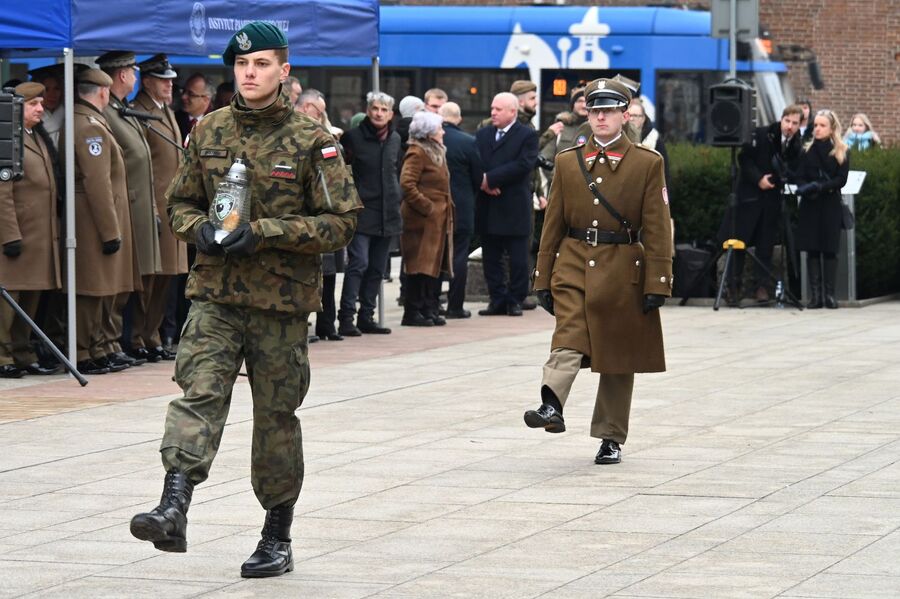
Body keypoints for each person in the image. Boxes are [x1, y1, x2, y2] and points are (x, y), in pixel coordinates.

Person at [129, 21, 361, 577]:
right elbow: (179, 203)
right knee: (199, 393)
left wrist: (266, 232)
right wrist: (201, 230)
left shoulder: (312, 141)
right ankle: (173, 506)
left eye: (261, 64)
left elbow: (341, 222)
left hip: (280, 305)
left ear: (284, 70)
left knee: (275, 418)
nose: (249, 73)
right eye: (241, 64)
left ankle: (277, 535)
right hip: (215, 295)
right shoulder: (210, 129)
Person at [525, 78, 673, 466]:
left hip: (623, 267)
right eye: (594, 111)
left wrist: (659, 280)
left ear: (625, 115)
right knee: (568, 333)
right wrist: (542, 276)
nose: (600, 118)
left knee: (618, 357)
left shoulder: (647, 162)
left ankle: (611, 437)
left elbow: (658, 226)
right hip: (573, 262)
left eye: (608, 111)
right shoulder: (567, 161)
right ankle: (551, 403)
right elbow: (552, 224)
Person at [63, 68, 137, 375]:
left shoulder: (91, 120)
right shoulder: (87, 126)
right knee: (92, 288)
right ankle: (83, 351)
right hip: (93, 220)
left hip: (98, 217)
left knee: (102, 287)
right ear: (103, 92)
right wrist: (109, 230)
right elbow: (97, 183)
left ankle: (97, 347)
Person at [97, 51, 162, 367]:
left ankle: (118, 341)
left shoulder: (122, 109)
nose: (135, 77)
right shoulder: (108, 113)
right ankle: (109, 342)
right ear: (122, 75)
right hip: (124, 207)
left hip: (138, 207)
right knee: (118, 279)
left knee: (133, 280)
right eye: (132, 72)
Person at [0, 82, 63, 378]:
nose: (40, 108)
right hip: (17, 234)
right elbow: (3, 193)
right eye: (33, 104)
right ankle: (3, 355)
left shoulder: (35, 136)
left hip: (38, 235)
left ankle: (22, 352)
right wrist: (10, 235)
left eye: (40, 103)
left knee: (30, 297)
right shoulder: (7, 140)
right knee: (9, 301)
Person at [718, 104, 803, 304]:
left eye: (794, 123)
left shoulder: (796, 144)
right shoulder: (762, 134)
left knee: (766, 244)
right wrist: (758, 179)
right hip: (749, 198)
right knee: (739, 242)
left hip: (771, 200)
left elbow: (793, 169)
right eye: (787, 121)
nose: (789, 126)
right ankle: (733, 285)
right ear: (781, 119)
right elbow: (744, 159)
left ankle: (761, 286)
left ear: (800, 125)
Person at [133, 55, 190, 354]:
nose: (170, 85)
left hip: (171, 206)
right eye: (163, 80)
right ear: (146, 82)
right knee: (150, 277)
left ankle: (151, 335)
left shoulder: (164, 110)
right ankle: (138, 336)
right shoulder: (139, 111)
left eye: (170, 80)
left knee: (167, 276)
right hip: (154, 205)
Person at [337, 91, 402, 336]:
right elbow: (341, 172)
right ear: (368, 110)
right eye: (375, 108)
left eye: (384, 110)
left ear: (391, 114)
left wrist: (397, 196)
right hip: (362, 211)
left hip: (388, 213)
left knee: (377, 268)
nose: (379, 113)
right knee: (359, 264)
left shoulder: (394, 138)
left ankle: (367, 316)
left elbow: (397, 170)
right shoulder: (353, 137)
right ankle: (346, 318)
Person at [474, 92, 539, 316]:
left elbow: (524, 164)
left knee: (518, 259)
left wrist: (490, 179)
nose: (493, 113)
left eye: (498, 109)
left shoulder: (527, 135)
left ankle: (515, 300)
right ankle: (497, 299)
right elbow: (475, 161)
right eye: (492, 108)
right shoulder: (483, 134)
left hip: (514, 206)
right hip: (488, 204)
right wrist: (483, 182)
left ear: (513, 111)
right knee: (491, 258)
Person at [296, 89, 343, 341]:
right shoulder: (296, 133)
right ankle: (302, 324)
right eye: (319, 111)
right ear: (306, 108)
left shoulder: (321, 133)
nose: (321, 116)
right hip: (303, 215)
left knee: (328, 274)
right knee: (304, 275)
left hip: (324, 213)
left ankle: (326, 324)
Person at [399, 111, 454, 327]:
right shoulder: (417, 152)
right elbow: (407, 184)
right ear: (429, 133)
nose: (443, 132)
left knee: (432, 266)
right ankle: (412, 312)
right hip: (420, 221)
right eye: (439, 128)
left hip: (436, 220)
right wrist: (427, 206)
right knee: (418, 266)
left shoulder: (436, 151)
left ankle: (427, 308)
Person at [795, 109, 850, 310]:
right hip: (811, 205)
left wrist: (821, 186)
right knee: (812, 248)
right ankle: (816, 296)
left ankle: (829, 295)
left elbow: (841, 179)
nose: (817, 129)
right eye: (815, 125)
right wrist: (806, 188)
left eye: (822, 125)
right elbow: (799, 176)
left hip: (830, 204)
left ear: (832, 128)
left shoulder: (841, 150)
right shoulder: (806, 150)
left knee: (829, 249)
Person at [439, 101, 482, 319]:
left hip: (436, 207)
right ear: (459, 118)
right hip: (462, 207)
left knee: (437, 254)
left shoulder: (432, 140)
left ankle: (431, 303)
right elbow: (478, 178)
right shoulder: (468, 141)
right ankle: (455, 306)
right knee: (459, 255)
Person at [27, 65, 64, 148]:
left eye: (56, 88)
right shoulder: (29, 117)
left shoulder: (70, 115)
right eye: (46, 89)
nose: (52, 94)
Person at [174, 72, 213, 144]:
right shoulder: (174, 119)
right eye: (184, 91)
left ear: (206, 99)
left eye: (191, 94)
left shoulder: (218, 121)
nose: (183, 97)